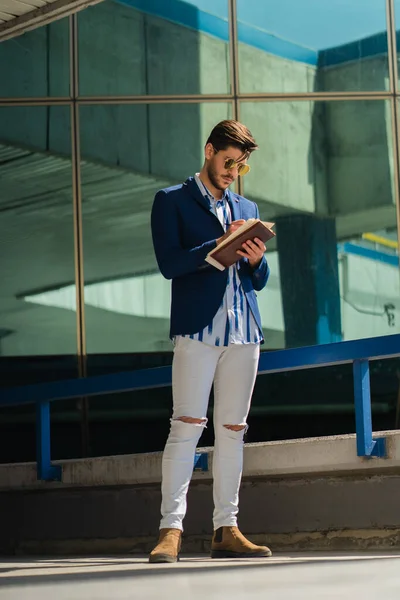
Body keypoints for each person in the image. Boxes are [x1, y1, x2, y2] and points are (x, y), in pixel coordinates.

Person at [149, 120, 272, 563]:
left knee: (233, 432)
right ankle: (170, 530)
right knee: (185, 428)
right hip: (198, 332)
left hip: (244, 334)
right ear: (208, 150)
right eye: (227, 162)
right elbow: (169, 263)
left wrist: (257, 262)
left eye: (241, 167)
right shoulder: (171, 201)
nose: (232, 172)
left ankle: (227, 528)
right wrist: (214, 247)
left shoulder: (247, 205)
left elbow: (257, 280)